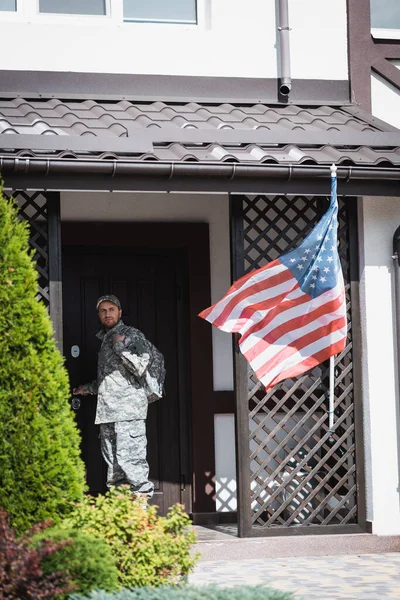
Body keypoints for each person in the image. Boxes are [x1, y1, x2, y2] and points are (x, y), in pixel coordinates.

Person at [74, 294, 156, 499]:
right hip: (107, 413)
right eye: (103, 310)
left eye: (111, 309)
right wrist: (87, 388)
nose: (107, 313)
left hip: (128, 412)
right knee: (114, 470)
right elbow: (112, 379)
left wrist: (120, 346)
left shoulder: (132, 335)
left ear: (120, 312)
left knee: (133, 465)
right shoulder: (104, 340)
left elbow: (140, 366)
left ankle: (140, 519)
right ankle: (121, 516)